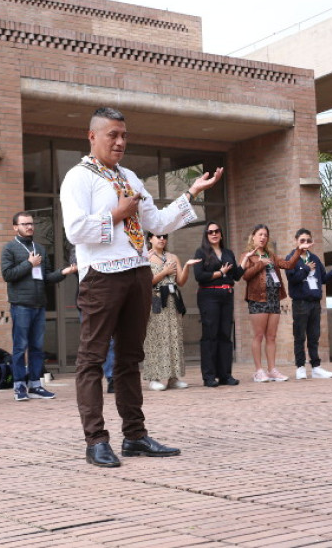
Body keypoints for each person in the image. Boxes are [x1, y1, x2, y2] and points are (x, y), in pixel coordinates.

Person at [60, 106, 221, 468]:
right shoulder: (78, 178)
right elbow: (74, 231)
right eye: (111, 135)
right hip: (101, 275)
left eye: (123, 135)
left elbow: (158, 221)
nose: (119, 142)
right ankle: (96, 441)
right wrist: (116, 214)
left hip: (137, 272)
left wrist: (192, 191)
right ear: (92, 136)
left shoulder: (129, 177)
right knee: (92, 359)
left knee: (131, 358)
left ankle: (134, 435)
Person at [1, 211, 77, 401]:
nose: (29, 227)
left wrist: (65, 271)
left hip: (39, 304)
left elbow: (47, 277)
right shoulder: (9, 248)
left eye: (31, 224)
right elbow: (7, 275)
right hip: (21, 305)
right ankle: (19, 386)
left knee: (37, 347)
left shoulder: (40, 249)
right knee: (20, 347)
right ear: (15, 227)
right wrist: (29, 264)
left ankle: (35, 385)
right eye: (25, 224)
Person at [240, 224, 307, 383]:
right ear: (253, 236)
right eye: (260, 234)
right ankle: (259, 371)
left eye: (265, 235)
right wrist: (260, 264)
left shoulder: (271, 255)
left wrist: (299, 250)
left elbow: (288, 264)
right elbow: (245, 275)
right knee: (258, 335)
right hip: (257, 299)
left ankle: (272, 369)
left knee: (272, 336)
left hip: (273, 298)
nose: (263, 237)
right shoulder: (248, 255)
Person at [285, 228, 332, 380]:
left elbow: (324, 278)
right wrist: (306, 268)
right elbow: (292, 279)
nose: (305, 243)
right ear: (296, 241)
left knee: (314, 336)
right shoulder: (292, 258)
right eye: (302, 241)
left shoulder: (315, 258)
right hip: (300, 302)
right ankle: (300, 367)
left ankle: (316, 367)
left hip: (315, 302)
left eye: (308, 240)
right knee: (299, 336)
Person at [143, 232, 199, 391]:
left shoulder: (173, 257)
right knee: (155, 338)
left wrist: (187, 266)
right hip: (156, 299)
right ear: (150, 239)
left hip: (173, 300)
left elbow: (180, 281)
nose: (162, 239)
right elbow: (146, 282)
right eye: (157, 236)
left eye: (164, 236)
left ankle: (173, 378)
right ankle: (154, 378)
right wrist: (164, 272)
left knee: (173, 337)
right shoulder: (145, 257)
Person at [193, 221, 245, 387]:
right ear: (206, 235)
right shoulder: (201, 252)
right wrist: (219, 273)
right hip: (209, 295)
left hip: (226, 295)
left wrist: (244, 261)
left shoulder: (228, 252)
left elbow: (236, 276)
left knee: (225, 334)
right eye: (210, 232)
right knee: (210, 335)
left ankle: (225, 375)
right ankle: (208, 376)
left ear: (221, 234)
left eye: (217, 231)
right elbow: (199, 275)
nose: (214, 234)